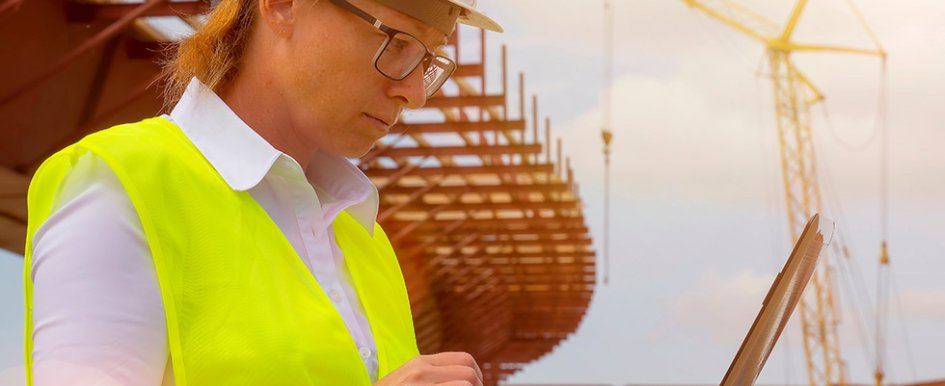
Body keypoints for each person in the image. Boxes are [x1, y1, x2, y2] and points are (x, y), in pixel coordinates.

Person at [22, 0, 502, 384]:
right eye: (397, 44)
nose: (415, 92)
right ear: (281, 6)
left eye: (429, 60)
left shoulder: (365, 240)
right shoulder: (123, 185)